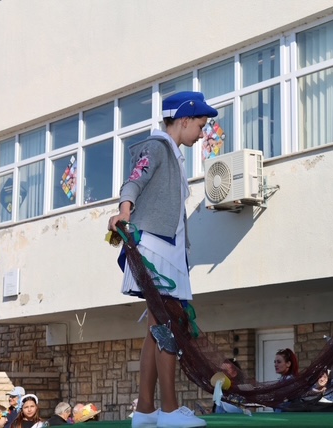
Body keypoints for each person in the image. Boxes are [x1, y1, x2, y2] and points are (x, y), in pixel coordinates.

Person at [108, 91, 217, 428]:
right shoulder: (157, 147)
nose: (202, 133)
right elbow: (134, 180)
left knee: (156, 329)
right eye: (200, 125)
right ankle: (169, 410)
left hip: (166, 250)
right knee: (167, 326)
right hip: (157, 250)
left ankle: (145, 410)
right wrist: (124, 210)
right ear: (184, 119)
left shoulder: (172, 153)